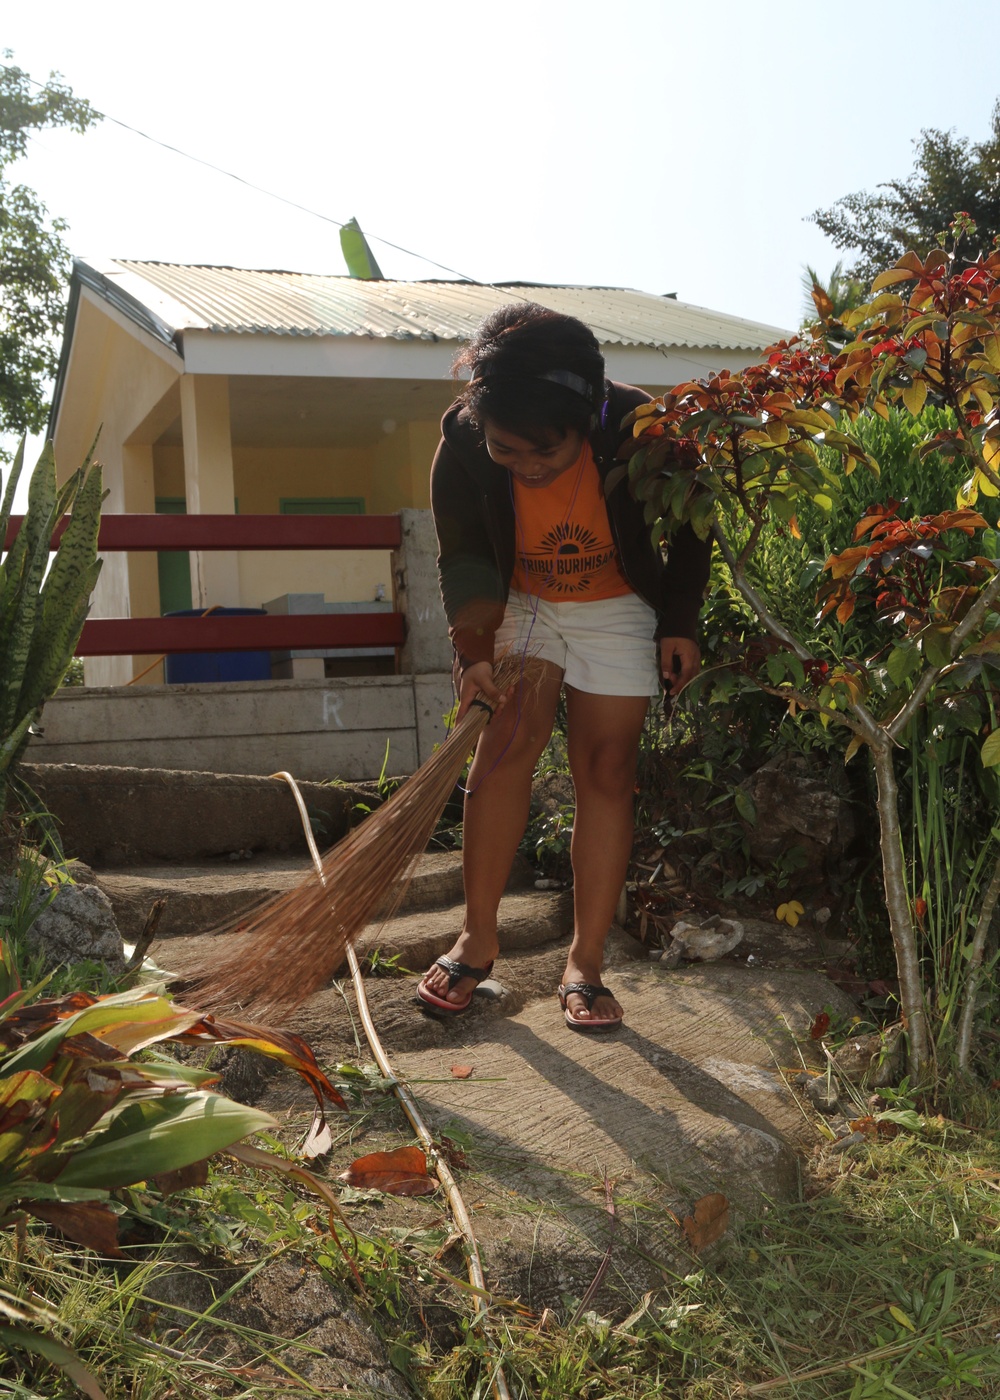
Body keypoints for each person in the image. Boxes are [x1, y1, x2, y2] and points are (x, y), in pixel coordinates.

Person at [416, 303, 710, 1032]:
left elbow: (692, 528)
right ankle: (475, 940)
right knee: (506, 746)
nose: (529, 467)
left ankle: (584, 961)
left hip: (617, 605)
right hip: (522, 601)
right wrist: (473, 650)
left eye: (545, 451)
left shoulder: (640, 427)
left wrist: (678, 622)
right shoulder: (460, 441)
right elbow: (464, 555)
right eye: (507, 452)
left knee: (607, 771)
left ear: (586, 415)